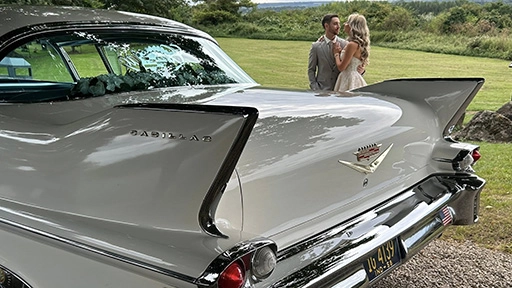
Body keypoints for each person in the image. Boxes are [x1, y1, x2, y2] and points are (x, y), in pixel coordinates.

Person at [308, 14, 348, 91]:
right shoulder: (316, 46)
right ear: (326, 26)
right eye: (335, 24)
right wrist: (315, 87)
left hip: (340, 89)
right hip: (322, 90)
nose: (339, 26)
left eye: (339, 23)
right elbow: (311, 69)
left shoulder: (345, 44)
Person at [332, 13, 370, 92]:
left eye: (347, 22)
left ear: (352, 26)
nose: (344, 24)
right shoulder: (357, 44)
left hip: (349, 78)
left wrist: (336, 54)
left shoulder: (352, 45)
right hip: (355, 77)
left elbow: (341, 67)